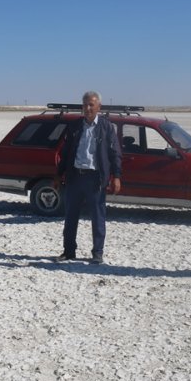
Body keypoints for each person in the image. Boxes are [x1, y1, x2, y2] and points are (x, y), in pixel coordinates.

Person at [53, 91, 122, 265]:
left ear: (99, 107)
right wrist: (58, 174)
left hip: (95, 180)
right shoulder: (75, 126)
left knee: (98, 217)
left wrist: (117, 176)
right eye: (85, 105)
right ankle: (69, 251)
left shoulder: (106, 127)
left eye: (91, 104)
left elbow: (115, 154)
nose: (88, 108)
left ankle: (97, 253)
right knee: (70, 217)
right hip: (75, 177)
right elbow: (66, 152)